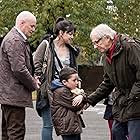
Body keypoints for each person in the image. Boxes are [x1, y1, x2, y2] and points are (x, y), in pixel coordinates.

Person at [72, 24, 140, 140]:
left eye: (96, 42)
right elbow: (107, 83)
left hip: (136, 103)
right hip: (122, 104)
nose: (95, 46)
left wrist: (132, 97)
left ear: (107, 38)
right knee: (116, 132)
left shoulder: (130, 47)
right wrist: (88, 99)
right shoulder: (107, 56)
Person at [33, 17, 80, 140]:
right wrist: (39, 78)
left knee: (68, 124)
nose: (72, 37)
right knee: (48, 125)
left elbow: (74, 70)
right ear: (61, 33)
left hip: (66, 92)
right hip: (49, 91)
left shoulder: (71, 50)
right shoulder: (46, 45)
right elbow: (36, 62)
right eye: (70, 34)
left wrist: (77, 86)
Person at [0, 11, 40, 140]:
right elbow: (19, 69)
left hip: (9, 95)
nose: (34, 30)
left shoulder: (13, 38)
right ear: (22, 23)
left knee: (8, 133)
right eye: (32, 26)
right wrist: (33, 84)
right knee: (16, 133)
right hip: (13, 96)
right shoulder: (16, 40)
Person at [51, 67, 85, 140]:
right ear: (64, 82)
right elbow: (77, 106)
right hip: (68, 126)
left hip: (71, 125)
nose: (77, 82)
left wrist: (81, 96)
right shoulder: (62, 91)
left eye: (77, 80)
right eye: (74, 80)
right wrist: (81, 95)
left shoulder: (69, 89)